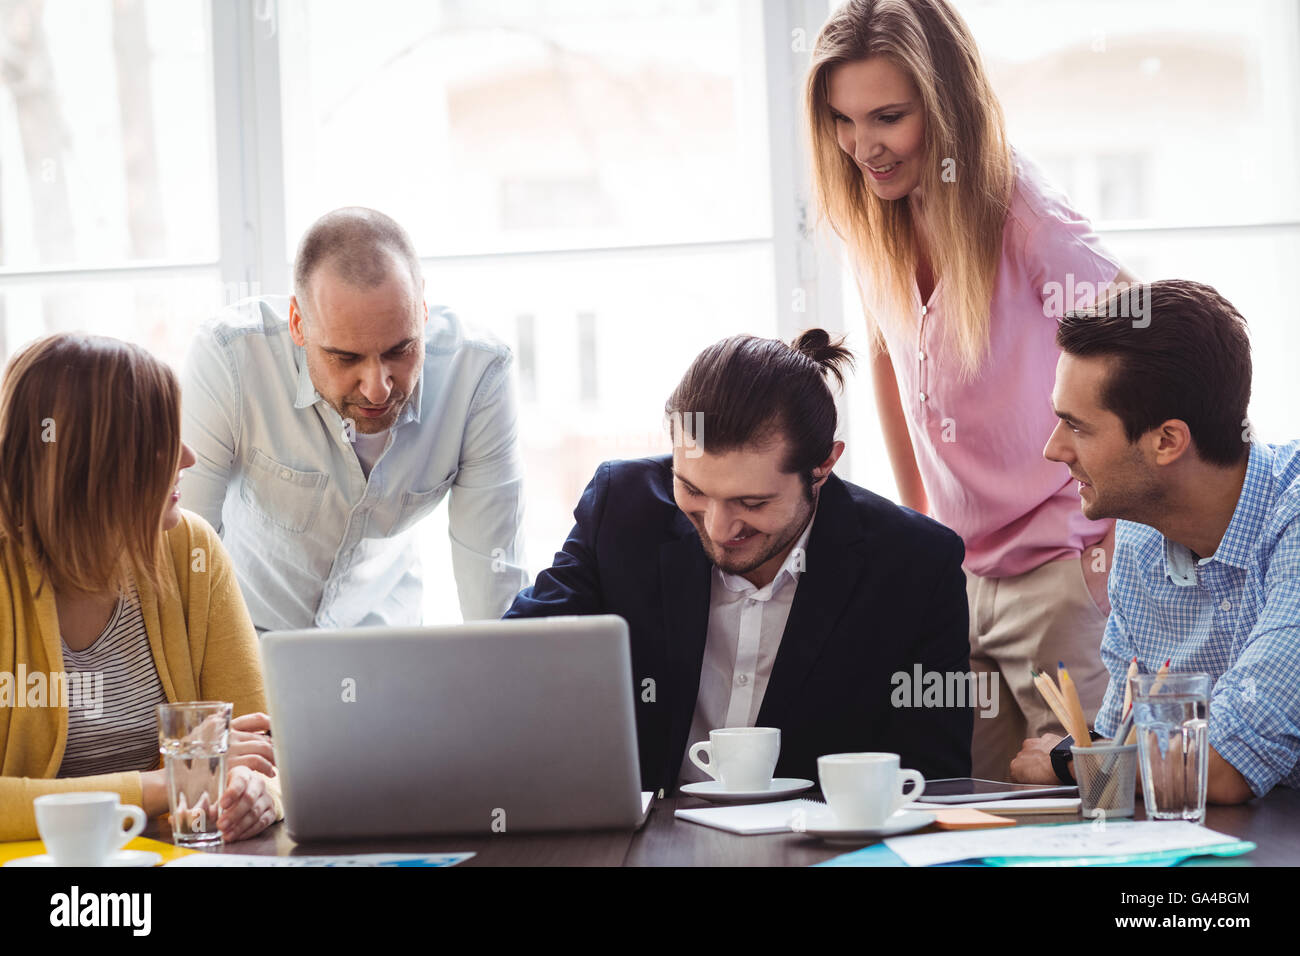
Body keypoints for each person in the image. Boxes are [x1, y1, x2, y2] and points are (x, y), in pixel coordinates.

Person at [804, 0, 1141, 779]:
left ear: (946, 103)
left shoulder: (1025, 215)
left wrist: (1115, 543)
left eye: (888, 116)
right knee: (964, 807)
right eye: (844, 120)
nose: (864, 146)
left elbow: (1148, 349)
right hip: (962, 575)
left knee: (1088, 804)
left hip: (1059, 571)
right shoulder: (877, 209)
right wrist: (923, 529)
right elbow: (888, 360)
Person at [505, 330, 972, 794]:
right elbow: (512, 660)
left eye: (750, 502)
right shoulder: (622, 508)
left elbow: (935, 775)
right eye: (693, 491)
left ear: (823, 467)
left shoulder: (916, 566)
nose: (718, 528)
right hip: (646, 842)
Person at [1011, 280, 1300, 803]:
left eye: (1076, 427)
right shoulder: (1143, 534)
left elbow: (1221, 764)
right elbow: (1123, 739)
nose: (1054, 450)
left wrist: (1068, 762)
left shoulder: (1293, 522)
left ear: (1167, 441)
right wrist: (1100, 756)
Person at [182, 207, 527, 632]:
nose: (378, 388)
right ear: (298, 324)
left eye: (400, 350)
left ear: (422, 309)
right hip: (250, 634)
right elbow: (184, 560)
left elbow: (494, 589)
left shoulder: (477, 375)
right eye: (345, 358)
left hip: (386, 638)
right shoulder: (230, 359)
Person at [0, 333, 279, 842]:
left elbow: (260, 749)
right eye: (160, 441)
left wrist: (253, 793)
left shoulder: (192, 552)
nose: (189, 457)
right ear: (90, 464)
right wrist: (170, 781)